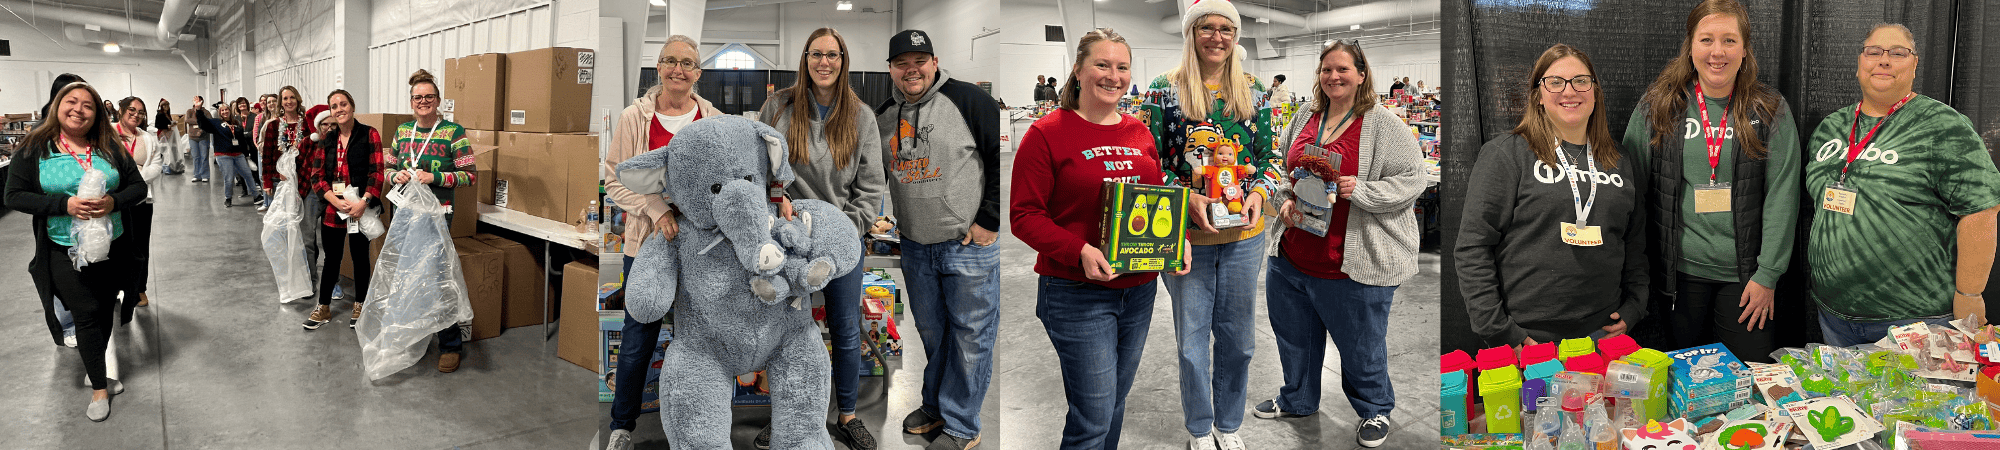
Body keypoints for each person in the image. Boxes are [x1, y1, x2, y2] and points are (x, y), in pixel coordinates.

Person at [1011, 28, 1191, 450]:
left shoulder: (1139, 132)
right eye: (1102, 65)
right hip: (1077, 293)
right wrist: (1080, 251)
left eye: (1122, 66)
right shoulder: (1047, 134)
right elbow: (1024, 216)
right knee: (1092, 417)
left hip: (1139, 289)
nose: (1113, 75)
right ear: (1077, 69)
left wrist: (1176, 236)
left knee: (1112, 405)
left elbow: (1156, 195)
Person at [1259, 40, 1426, 448]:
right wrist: (1282, 205)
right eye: (1326, 69)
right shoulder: (1304, 116)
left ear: (1362, 74)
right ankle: (1297, 398)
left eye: (1343, 70)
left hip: (1352, 263)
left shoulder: (1384, 124)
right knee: (1294, 339)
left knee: (1360, 347)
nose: (1334, 76)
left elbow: (1413, 179)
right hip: (1293, 255)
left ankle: (1374, 409)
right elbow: (1285, 171)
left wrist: (1361, 190)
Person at [1137, 1, 1281, 448]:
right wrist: (1184, 197)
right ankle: (1201, 427)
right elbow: (1147, 163)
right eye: (1207, 28)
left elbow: (1269, 159)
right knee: (1191, 339)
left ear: (1236, 35)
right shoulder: (1164, 90)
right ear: (1191, 33)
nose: (1217, 37)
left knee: (1238, 339)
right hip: (1185, 236)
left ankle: (1230, 425)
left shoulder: (1254, 90)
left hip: (1243, 236)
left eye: (1226, 29)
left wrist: (1259, 193)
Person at [1621, 0, 1798, 362]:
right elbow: (1630, 188)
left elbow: (1784, 193)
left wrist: (1768, 274)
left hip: (1747, 278)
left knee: (1752, 379)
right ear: (1690, 47)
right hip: (1679, 277)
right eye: (1706, 40)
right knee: (1687, 379)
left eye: (1729, 41)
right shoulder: (1659, 105)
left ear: (1745, 50)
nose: (1717, 52)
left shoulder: (1768, 108)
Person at [1804, 24, 2000, 345]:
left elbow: (1982, 209)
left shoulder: (1942, 126)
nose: (1883, 61)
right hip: (1833, 313)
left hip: (1914, 322)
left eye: (1897, 53)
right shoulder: (1832, 127)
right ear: (1859, 63)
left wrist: (1969, 294)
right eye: (1873, 52)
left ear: (1914, 64)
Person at [1456, 44, 1648, 346]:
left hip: (1602, 333)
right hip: (1527, 338)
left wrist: (1635, 305)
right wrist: (1499, 330)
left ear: (1595, 91)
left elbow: (1635, 244)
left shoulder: (1619, 159)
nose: (1569, 92)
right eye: (1555, 82)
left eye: (1581, 81)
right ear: (1538, 95)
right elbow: (1472, 248)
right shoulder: (1506, 155)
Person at [755, 27, 887, 450]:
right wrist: (779, 215)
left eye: (833, 55)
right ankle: (787, 418)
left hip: (841, 241)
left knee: (846, 329)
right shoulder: (777, 107)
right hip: (788, 239)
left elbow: (871, 187)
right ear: (806, 58)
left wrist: (846, 231)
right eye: (817, 54)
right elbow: (760, 171)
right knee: (785, 330)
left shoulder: (861, 115)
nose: (824, 63)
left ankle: (847, 415)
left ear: (843, 60)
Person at [876, 28, 1003, 450]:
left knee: (970, 336)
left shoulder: (971, 101)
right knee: (933, 332)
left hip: (967, 243)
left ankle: (963, 425)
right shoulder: (882, 116)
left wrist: (988, 219)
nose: (911, 71)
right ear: (891, 69)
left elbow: (997, 161)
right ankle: (936, 405)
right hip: (914, 242)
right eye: (902, 64)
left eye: (919, 62)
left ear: (934, 62)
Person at [600, 34, 726, 450]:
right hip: (646, 245)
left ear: (698, 73)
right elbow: (614, 178)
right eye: (670, 61)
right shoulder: (634, 118)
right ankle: (622, 425)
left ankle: (700, 423)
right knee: (639, 338)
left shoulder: (712, 119)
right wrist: (655, 208)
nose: (679, 69)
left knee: (701, 337)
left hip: (700, 249)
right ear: (658, 68)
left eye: (688, 63)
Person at [5, 81, 146, 421]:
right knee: (84, 314)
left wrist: (113, 200)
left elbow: (138, 187)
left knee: (104, 311)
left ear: (97, 113)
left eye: (88, 105)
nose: (79, 110)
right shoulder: (35, 146)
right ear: (57, 106)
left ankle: (93, 365)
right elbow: (13, 195)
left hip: (112, 247)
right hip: (64, 249)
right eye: (72, 102)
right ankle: (100, 387)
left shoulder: (109, 145)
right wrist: (63, 204)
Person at [383, 69, 479, 372]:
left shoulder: (453, 132)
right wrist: (393, 175)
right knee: (407, 277)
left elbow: (469, 175)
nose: (423, 101)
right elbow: (385, 170)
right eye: (417, 97)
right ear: (411, 102)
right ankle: (412, 335)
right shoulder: (402, 132)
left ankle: (450, 344)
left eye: (428, 97)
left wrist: (434, 176)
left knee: (437, 279)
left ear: (437, 101)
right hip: (404, 216)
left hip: (438, 216)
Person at [301, 89, 383, 330]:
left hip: (359, 207)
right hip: (333, 209)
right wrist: (335, 201)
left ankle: (360, 303)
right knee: (331, 259)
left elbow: (377, 172)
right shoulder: (327, 139)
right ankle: (323, 306)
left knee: (360, 258)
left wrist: (364, 202)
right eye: (334, 106)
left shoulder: (369, 134)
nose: (339, 109)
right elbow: (317, 177)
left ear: (352, 105)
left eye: (343, 104)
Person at [114, 97, 166, 312]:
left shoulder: (147, 137)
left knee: (140, 246)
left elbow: (156, 164)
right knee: (115, 245)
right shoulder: (108, 134)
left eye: (141, 112)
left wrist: (136, 182)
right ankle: (115, 286)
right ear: (121, 111)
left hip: (141, 200)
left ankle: (138, 288)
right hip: (115, 201)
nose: (136, 115)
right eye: (132, 110)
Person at [194, 97, 261, 207]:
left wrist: (246, 155)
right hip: (223, 156)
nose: (225, 112)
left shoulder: (236, 123)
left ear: (230, 111)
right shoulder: (216, 123)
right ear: (220, 113)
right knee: (229, 178)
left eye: (227, 110)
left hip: (238, 155)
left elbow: (241, 140)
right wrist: (198, 109)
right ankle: (228, 198)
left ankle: (256, 196)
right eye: (222, 110)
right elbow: (203, 124)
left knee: (248, 175)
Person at [261, 87, 311, 213]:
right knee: (282, 221)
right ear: (281, 103)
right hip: (280, 179)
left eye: (292, 97)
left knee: (305, 222)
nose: (289, 101)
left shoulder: (307, 124)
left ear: (298, 100)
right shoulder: (273, 125)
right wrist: (267, 182)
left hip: (303, 179)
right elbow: (267, 155)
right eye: (285, 98)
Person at [186, 95, 211, 183]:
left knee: (204, 156)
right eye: (195, 100)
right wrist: (200, 121)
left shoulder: (206, 112)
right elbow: (187, 120)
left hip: (203, 137)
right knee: (196, 157)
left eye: (199, 101)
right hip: (192, 137)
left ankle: (205, 175)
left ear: (202, 102)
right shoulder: (189, 111)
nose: (196, 102)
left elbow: (209, 122)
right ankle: (197, 175)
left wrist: (201, 125)